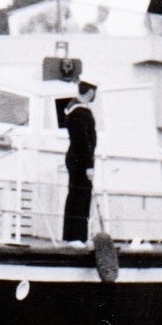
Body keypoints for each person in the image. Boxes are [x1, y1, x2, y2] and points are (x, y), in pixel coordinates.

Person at [62, 78, 98, 243]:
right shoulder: (80, 113)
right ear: (90, 93)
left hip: (77, 159)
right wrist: (89, 165)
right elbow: (83, 141)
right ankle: (76, 236)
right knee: (80, 198)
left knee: (77, 196)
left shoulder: (74, 109)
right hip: (80, 161)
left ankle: (75, 236)